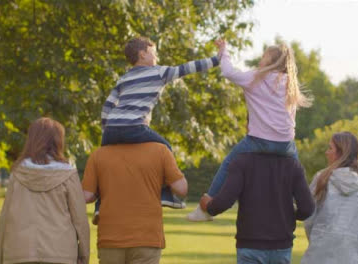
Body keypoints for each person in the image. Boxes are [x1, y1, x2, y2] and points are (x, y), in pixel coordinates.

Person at [188, 39, 313, 221]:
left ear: (271, 61)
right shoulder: (290, 84)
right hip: (285, 145)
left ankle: (206, 208)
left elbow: (228, 71)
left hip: (258, 141)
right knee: (296, 171)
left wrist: (224, 50)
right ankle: (296, 201)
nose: (260, 60)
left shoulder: (256, 77)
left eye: (264, 56)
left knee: (229, 164)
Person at [96, 36, 219, 215]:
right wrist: (217, 59)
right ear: (142, 54)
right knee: (164, 148)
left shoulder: (123, 78)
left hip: (112, 128)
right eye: (154, 53)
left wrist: (107, 129)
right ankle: (167, 194)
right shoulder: (158, 72)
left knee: (104, 167)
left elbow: (107, 105)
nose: (156, 58)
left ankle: (100, 205)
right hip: (134, 126)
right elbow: (188, 68)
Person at [0, 117, 90, 264]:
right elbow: (80, 219)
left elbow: (5, 217)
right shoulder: (68, 174)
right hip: (61, 254)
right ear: (58, 141)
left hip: (19, 252)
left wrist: (1, 257)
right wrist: (84, 256)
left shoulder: (17, 173)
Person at [82, 142, 188, 264]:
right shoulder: (161, 150)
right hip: (147, 238)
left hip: (110, 238)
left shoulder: (98, 155)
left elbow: (86, 196)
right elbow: (181, 189)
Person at [200, 152, 315, 264]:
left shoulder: (241, 162)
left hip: (250, 245)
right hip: (281, 246)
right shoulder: (293, 165)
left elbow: (224, 202)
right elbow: (307, 208)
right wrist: (291, 214)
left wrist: (208, 206)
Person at [301, 132, 358, 264]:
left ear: (341, 153)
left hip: (319, 256)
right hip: (354, 258)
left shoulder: (322, 179)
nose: (326, 152)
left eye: (330, 148)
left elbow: (309, 219)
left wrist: (320, 240)